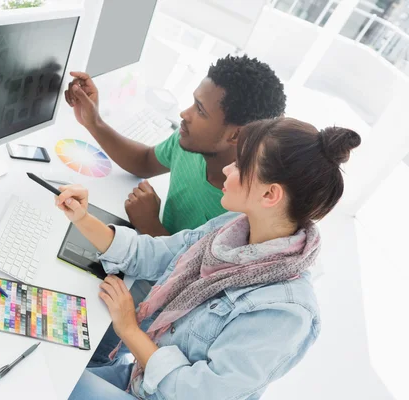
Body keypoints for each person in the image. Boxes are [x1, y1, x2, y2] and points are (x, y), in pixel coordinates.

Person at [54, 118, 360, 399]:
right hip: (142, 379)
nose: (228, 169)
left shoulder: (285, 312)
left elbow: (195, 393)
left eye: (240, 165)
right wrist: (82, 217)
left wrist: (129, 329)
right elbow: (154, 255)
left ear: (270, 195)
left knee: (48, 384)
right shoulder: (230, 229)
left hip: (162, 391)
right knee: (53, 365)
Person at [64, 55, 286, 237]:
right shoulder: (192, 144)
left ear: (236, 134)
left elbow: (198, 278)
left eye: (200, 110)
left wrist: (151, 227)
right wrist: (93, 122)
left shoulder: (245, 213)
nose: (184, 114)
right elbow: (144, 161)